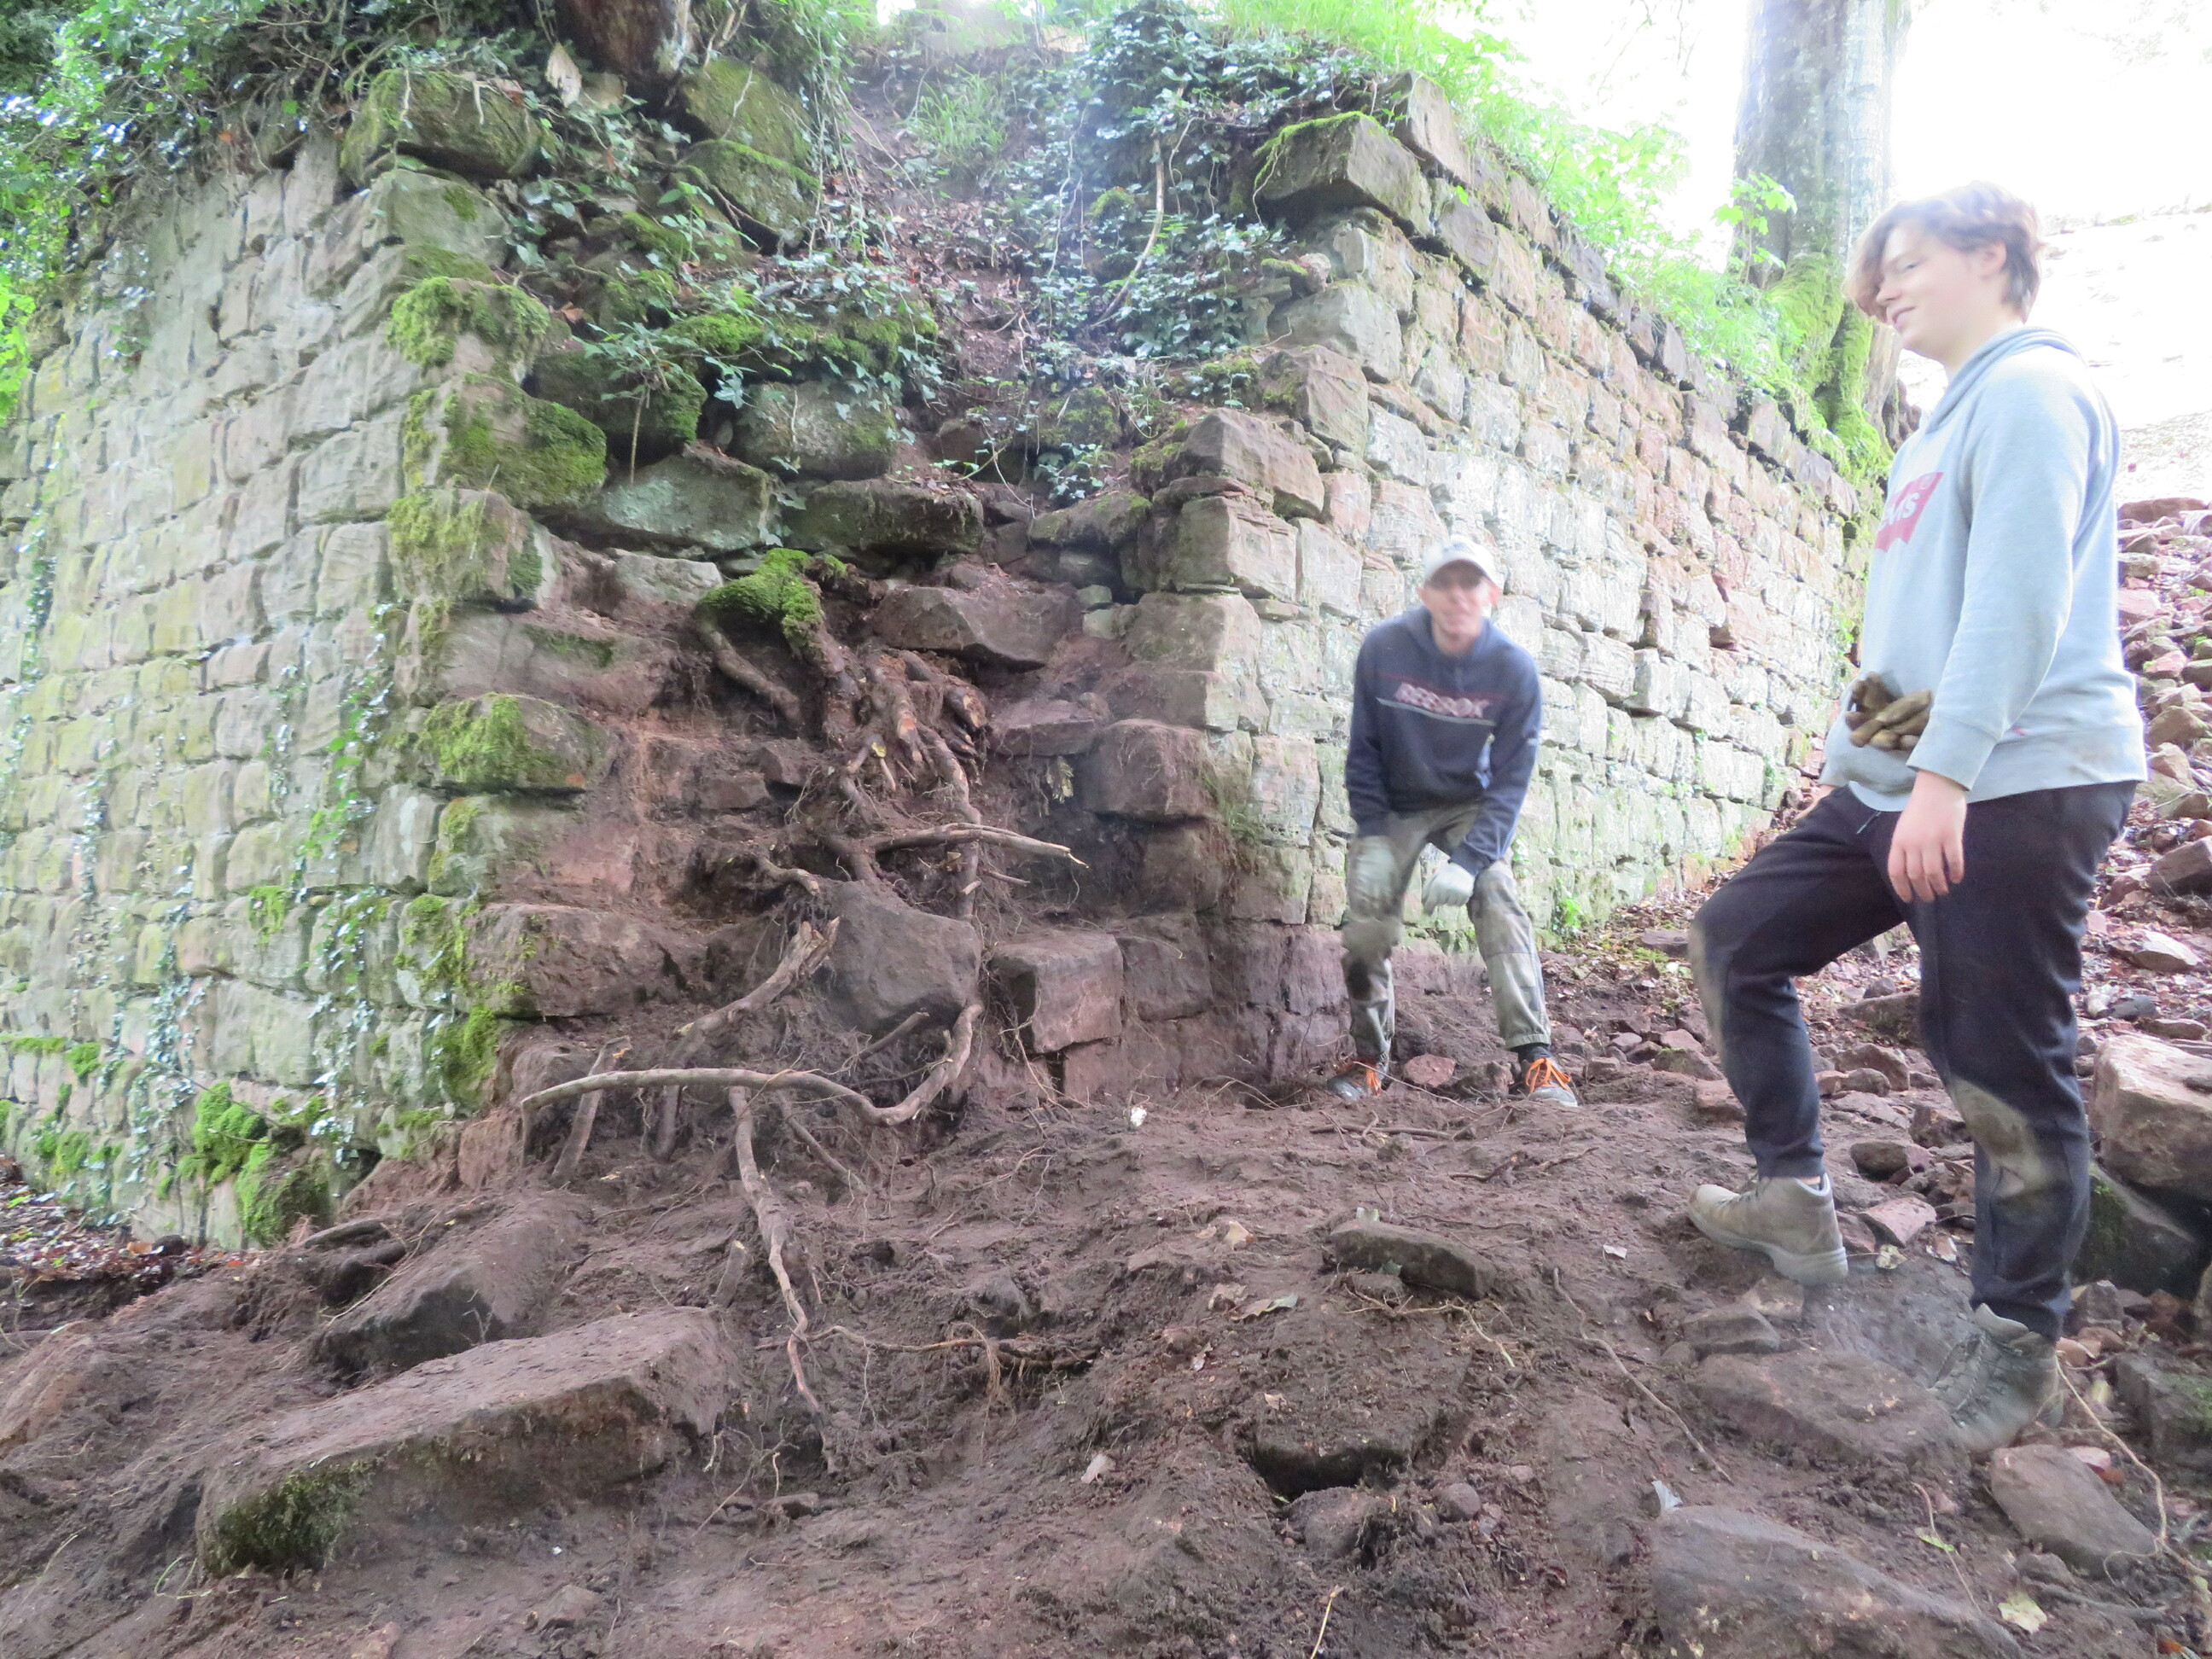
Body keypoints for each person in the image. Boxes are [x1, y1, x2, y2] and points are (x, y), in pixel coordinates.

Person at [1682, 183, 2143, 1453]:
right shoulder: (1939, 426)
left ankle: (2015, 1340)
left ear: (1993, 254)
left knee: (1996, 1056)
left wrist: (1946, 779)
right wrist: (1872, 764)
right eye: (1876, 272)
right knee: (1735, 939)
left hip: (2020, 778)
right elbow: (1916, 632)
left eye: (1909, 262)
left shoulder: (2035, 390)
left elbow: (2019, 601)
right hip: (1914, 772)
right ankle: (1794, 1200)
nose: (1884, 290)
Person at [1330, 535, 1577, 1108]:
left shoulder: (1512, 670)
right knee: (1366, 926)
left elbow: (1512, 781)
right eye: (1445, 584)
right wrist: (1373, 837)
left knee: (1498, 896)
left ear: (1492, 594)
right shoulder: (1385, 648)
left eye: (1471, 584)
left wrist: (1469, 862)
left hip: (1469, 803)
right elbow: (1363, 750)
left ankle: (1536, 1058)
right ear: (1425, 594)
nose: (1458, 595)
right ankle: (1369, 1060)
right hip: (1396, 803)